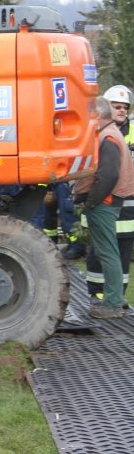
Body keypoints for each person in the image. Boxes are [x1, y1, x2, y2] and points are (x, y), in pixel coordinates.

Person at [72, 97, 134, 318]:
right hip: (107, 202)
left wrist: (91, 201)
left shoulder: (108, 138)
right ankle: (113, 299)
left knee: (108, 253)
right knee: (107, 251)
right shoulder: (112, 134)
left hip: (104, 203)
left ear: (97, 115)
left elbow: (108, 176)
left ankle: (113, 303)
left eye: (89, 115)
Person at [85, 85, 134, 297]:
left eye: (125, 107)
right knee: (99, 249)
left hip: (126, 202)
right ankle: (97, 293)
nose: (122, 110)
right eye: (117, 106)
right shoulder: (98, 132)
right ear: (107, 107)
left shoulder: (115, 134)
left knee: (122, 250)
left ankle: (117, 296)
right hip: (102, 200)